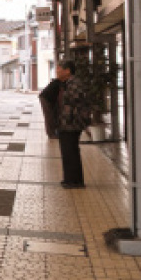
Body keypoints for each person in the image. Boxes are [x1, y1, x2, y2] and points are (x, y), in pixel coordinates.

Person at [55, 60, 90, 189]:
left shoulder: (74, 84)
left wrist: (74, 120)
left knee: (71, 151)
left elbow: (79, 104)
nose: (57, 71)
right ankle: (69, 178)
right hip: (66, 123)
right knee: (68, 151)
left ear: (67, 70)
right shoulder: (67, 83)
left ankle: (75, 181)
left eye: (59, 69)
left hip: (71, 123)